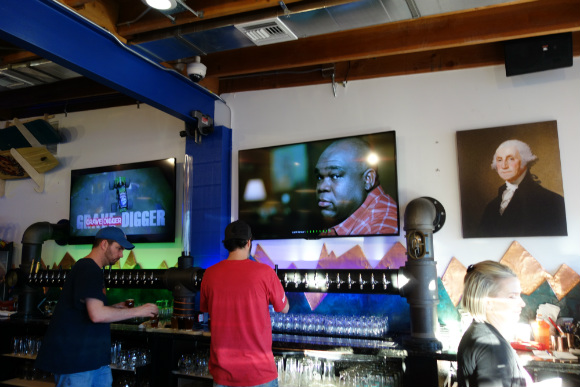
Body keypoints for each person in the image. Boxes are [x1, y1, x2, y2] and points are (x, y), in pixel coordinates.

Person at [35, 227, 158, 387]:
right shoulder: (88, 269)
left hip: (93, 361)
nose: (121, 255)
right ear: (104, 244)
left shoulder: (90, 269)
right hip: (77, 363)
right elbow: (97, 314)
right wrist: (140, 310)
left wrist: (115, 307)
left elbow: (89, 310)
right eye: (119, 248)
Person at [200, 220, 289, 387]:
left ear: (227, 244)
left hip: (222, 373)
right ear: (249, 242)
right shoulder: (266, 273)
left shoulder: (209, 275)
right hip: (259, 373)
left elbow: (206, 309)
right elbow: (284, 308)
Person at [457, 260, 531, 387]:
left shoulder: (480, 332)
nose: (522, 303)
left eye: (520, 295)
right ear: (487, 302)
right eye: (512, 296)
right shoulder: (491, 345)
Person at [478, 139, 567, 237]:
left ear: (526, 161)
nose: (503, 166)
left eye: (511, 159)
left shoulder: (553, 202)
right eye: (499, 160)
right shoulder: (491, 207)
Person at [314, 138, 398, 236]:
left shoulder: (381, 229)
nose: (322, 187)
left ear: (368, 179)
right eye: (319, 177)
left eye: (335, 175)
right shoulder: (347, 215)